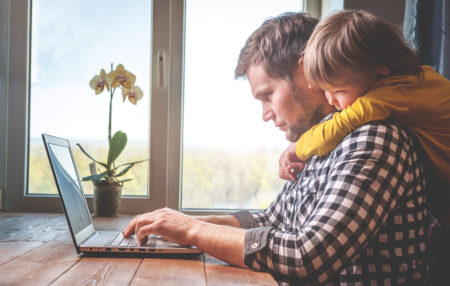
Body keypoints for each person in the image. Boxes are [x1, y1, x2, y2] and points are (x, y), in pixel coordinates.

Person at [123, 12, 431, 284]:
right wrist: (177, 224)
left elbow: (307, 256)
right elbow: (270, 220)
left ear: (306, 72)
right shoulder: (321, 142)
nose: (266, 114)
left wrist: (193, 232)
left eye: (268, 95)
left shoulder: (374, 139)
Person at [278, 11, 450, 228]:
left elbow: (338, 127)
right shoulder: (416, 82)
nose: (332, 101)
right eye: (325, 90)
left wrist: (297, 148)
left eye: (339, 90)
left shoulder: (388, 96)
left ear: (379, 75)